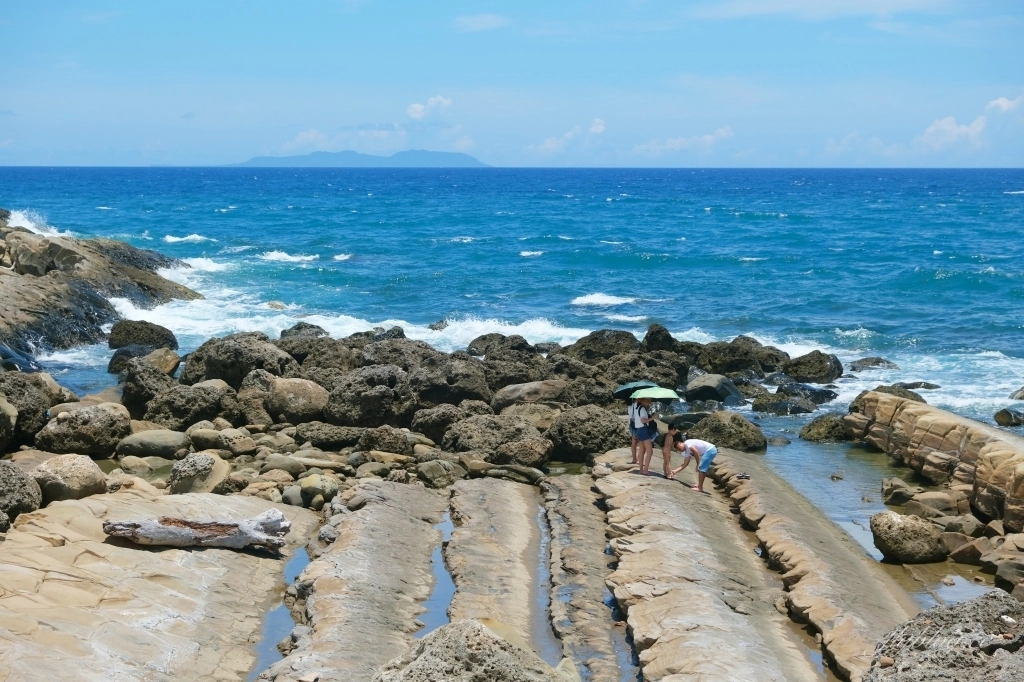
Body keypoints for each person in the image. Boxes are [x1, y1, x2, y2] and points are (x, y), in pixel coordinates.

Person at [631, 397, 656, 475]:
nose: (649, 401)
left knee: (641, 451)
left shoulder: (636, 407)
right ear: (641, 400)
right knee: (650, 451)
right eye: (647, 400)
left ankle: (641, 470)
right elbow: (643, 420)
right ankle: (645, 470)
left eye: (650, 399)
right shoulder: (642, 409)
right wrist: (653, 418)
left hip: (638, 430)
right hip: (643, 430)